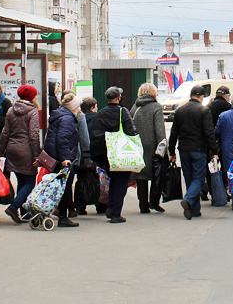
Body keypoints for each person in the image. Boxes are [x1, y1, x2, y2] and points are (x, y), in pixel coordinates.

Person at [167, 84, 218, 220]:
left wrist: (171, 151)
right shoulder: (203, 110)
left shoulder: (180, 110)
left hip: (183, 149)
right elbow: (209, 132)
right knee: (199, 179)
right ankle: (188, 199)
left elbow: (174, 132)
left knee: (189, 179)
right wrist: (214, 150)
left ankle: (194, 210)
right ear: (201, 97)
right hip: (199, 149)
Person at [89, 86, 137, 223]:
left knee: (112, 180)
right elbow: (132, 132)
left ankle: (110, 208)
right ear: (119, 98)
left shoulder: (101, 114)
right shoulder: (123, 112)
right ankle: (116, 213)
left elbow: (95, 135)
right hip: (122, 152)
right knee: (121, 182)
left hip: (106, 153)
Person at [0, 85, 42, 225]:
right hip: (26, 150)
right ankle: (14, 207)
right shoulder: (32, 111)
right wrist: (37, 155)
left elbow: (5, 132)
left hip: (12, 149)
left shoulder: (11, 110)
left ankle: (24, 212)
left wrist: (0, 151)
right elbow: (34, 134)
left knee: (21, 181)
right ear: (32, 96)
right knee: (29, 182)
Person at [42, 91, 81, 227]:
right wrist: (65, 158)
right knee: (65, 186)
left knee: (58, 185)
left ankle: (58, 212)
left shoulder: (59, 115)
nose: (79, 109)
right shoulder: (67, 119)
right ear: (72, 107)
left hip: (54, 155)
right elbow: (62, 139)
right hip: (63, 158)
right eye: (77, 107)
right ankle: (63, 216)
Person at [131, 83, 167, 214]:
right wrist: (163, 146)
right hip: (152, 146)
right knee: (156, 174)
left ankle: (143, 205)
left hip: (137, 145)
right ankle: (154, 202)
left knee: (141, 175)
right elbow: (159, 129)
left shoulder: (135, 107)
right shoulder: (156, 107)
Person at [214, 94, 233, 210]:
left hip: (226, 147)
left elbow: (216, 132)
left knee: (228, 171)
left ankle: (227, 192)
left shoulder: (223, 115)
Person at [77, 97, 102, 215]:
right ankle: (99, 205)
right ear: (92, 108)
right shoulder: (97, 119)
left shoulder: (78, 119)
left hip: (80, 154)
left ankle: (80, 206)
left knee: (81, 180)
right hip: (95, 154)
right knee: (98, 179)